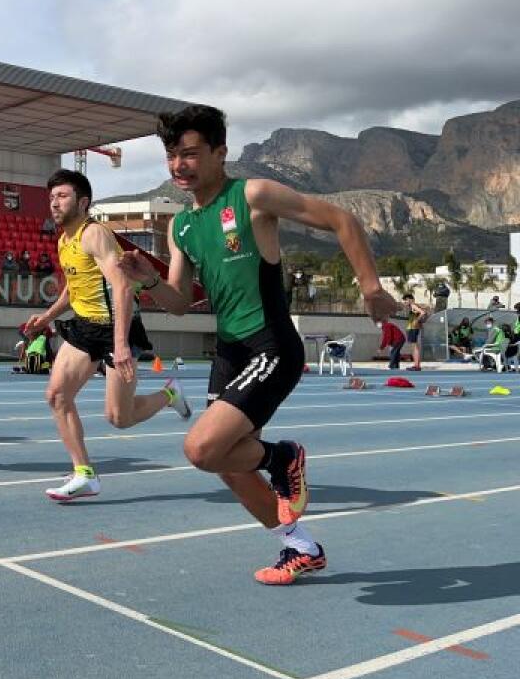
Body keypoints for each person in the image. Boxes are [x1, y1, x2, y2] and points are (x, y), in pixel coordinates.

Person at [119, 105, 396, 585]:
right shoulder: (180, 227)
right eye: (171, 156)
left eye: (189, 154)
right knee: (225, 464)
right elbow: (181, 303)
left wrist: (370, 287)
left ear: (220, 152)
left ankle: (282, 458)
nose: (178, 166)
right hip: (229, 352)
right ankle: (300, 547)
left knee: (202, 449)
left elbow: (344, 220)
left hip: (270, 344)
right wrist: (148, 281)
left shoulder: (252, 196)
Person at [25, 169, 190, 502]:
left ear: (83, 202)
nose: (54, 203)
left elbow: (122, 287)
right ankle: (84, 474)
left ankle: (169, 395)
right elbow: (75, 289)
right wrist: (46, 317)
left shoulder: (94, 234)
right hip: (86, 327)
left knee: (119, 417)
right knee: (57, 396)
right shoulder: (63, 240)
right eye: (52, 197)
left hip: (118, 327)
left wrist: (120, 344)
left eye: (62, 196)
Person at [400, 293, 429, 371]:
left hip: (413, 328)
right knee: (414, 347)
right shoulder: (413, 306)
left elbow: (423, 313)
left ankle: (417, 365)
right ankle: (416, 365)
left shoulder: (413, 305)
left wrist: (416, 321)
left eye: (406, 300)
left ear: (410, 299)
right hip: (412, 328)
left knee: (415, 347)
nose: (405, 302)